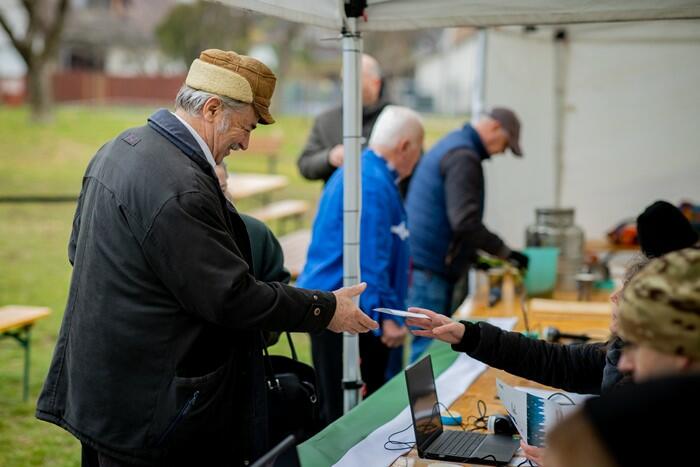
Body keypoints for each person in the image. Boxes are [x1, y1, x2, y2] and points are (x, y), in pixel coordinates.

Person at [36, 49, 378, 467]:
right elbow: (230, 297)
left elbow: (78, 252)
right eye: (245, 127)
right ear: (213, 108)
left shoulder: (118, 149)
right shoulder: (182, 186)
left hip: (106, 398)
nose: (246, 143)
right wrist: (325, 308)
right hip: (149, 415)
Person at [297, 105, 424, 426]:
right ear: (405, 146)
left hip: (352, 307)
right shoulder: (369, 180)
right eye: (419, 150)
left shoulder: (373, 175)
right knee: (345, 415)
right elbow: (369, 256)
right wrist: (383, 316)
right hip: (345, 310)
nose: (418, 159)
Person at [545, 247, 700, 467]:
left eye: (635, 346)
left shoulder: (616, 431)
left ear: (680, 352)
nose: (625, 362)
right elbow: (563, 361)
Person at [405, 108, 529, 362]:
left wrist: (475, 257)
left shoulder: (457, 146)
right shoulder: (463, 156)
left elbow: (450, 219)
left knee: (431, 346)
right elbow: (465, 223)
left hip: (427, 266)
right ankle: (420, 402)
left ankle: (426, 401)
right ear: (494, 127)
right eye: (505, 144)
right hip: (431, 270)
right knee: (428, 350)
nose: (501, 152)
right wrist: (506, 253)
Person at [297, 54, 389, 183]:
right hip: (338, 202)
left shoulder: (396, 119)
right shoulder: (326, 120)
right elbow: (305, 165)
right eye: (344, 80)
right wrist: (329, 157)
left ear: (376, 83)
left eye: (354, 81)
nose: (346, 87)